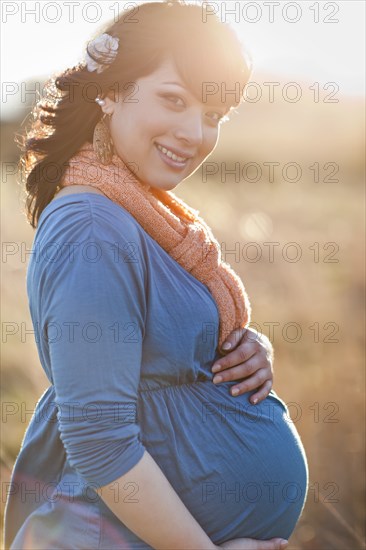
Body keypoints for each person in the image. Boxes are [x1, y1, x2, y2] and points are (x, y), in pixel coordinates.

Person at [4, 1, 309, 549]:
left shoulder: (141, 213)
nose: (195, 133)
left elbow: (165, 352)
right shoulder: (91, 225)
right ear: (112, 89)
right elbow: (100, 441)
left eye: (214, 115)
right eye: (174, 99)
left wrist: (246, 349)